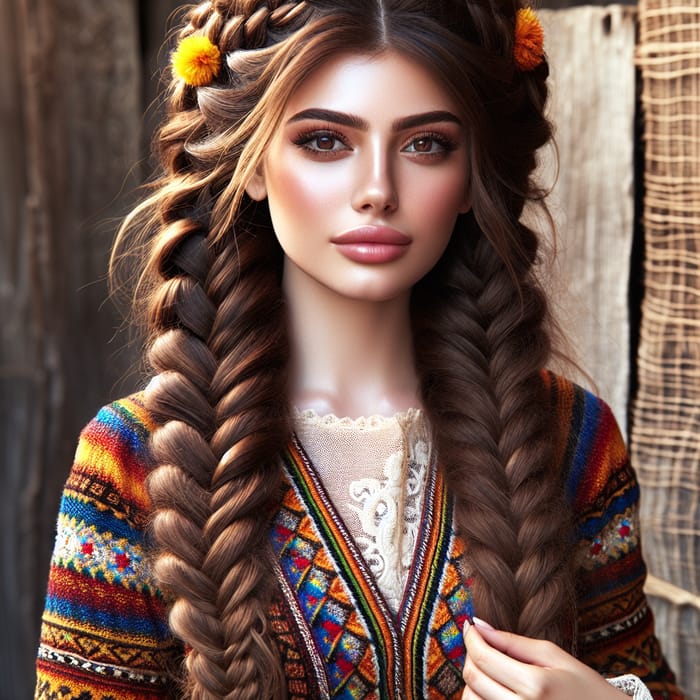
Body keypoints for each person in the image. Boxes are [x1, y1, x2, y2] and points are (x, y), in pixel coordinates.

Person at [35, 1, 686, 699]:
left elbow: (645, 679)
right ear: (252, 164)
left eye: (426, 144)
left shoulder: (572, 439)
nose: (378, 190)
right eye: (324, 141)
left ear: (471, 174)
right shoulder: (135, 458)